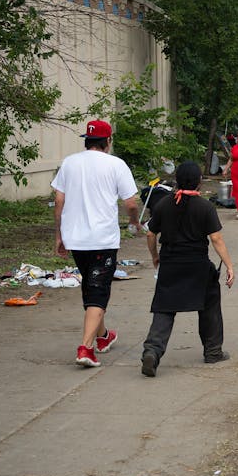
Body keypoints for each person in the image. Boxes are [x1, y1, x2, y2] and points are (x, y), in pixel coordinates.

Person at [51, 118, 142, 368]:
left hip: (76, 239)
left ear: (87, 140)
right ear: (108, 141)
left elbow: (59, 201)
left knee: (92, 288)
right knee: (98, 291)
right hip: (102, 239)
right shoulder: (116, 164)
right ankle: (85, 348)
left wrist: (59, 235)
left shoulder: (69, 163)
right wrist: (134, 222)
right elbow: (131, 203)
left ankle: (103, 337)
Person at [141, 161, 235, 376]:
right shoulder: (205, 207)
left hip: (170, 264)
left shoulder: (164, 204)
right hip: (198, 265)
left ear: (177, 180)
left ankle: (152, 352)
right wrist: (229, 265)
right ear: (199, 182)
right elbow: (216, 238)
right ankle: (213, 351)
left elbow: (150, 233)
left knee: (164, 308)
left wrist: (155, 257)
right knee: (209, 304)